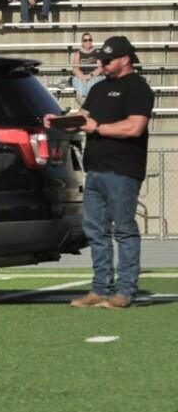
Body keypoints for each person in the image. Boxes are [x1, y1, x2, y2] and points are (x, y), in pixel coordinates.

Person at [46, 37, 154, 309]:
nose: (101, 64)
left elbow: (134, 128)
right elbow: (81, 120)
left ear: (125, 60)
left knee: (125, 231)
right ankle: (100, 289)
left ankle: (125, 291)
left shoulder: (138, 88)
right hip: (95, 170)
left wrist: (96, 128)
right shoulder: (98, 89)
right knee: (95, 231)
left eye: (107, 60)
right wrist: (58, 121)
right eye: (100, 60)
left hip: (122, 170)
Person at [71, 32, 104, 104]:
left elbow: (100, 68)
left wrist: (89, 76)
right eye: (85, 40)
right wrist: (83, 77)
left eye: (90, 39)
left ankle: (87, 100)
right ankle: (80, 96)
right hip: (83, 75)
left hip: (94, 75)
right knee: (76, 79)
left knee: (92, 81)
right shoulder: (78, 53)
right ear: (82, 42)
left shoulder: (97, 52)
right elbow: (75, 69)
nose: (88, 41)